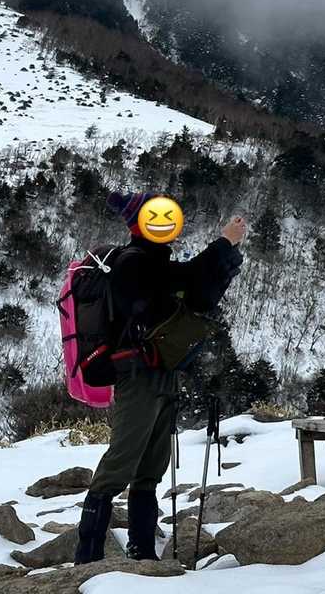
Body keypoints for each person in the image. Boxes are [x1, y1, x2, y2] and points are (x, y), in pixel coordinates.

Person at [74, 192, 246, 564]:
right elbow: (189, 280)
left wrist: (228, 252)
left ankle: (142, 552)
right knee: (120, 463)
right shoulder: (134, 263)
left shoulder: (153, 263)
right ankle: (86, 558)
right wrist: (223, 243)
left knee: (151, 468)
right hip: (137, 376)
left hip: (162, 375)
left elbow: (198, 293)